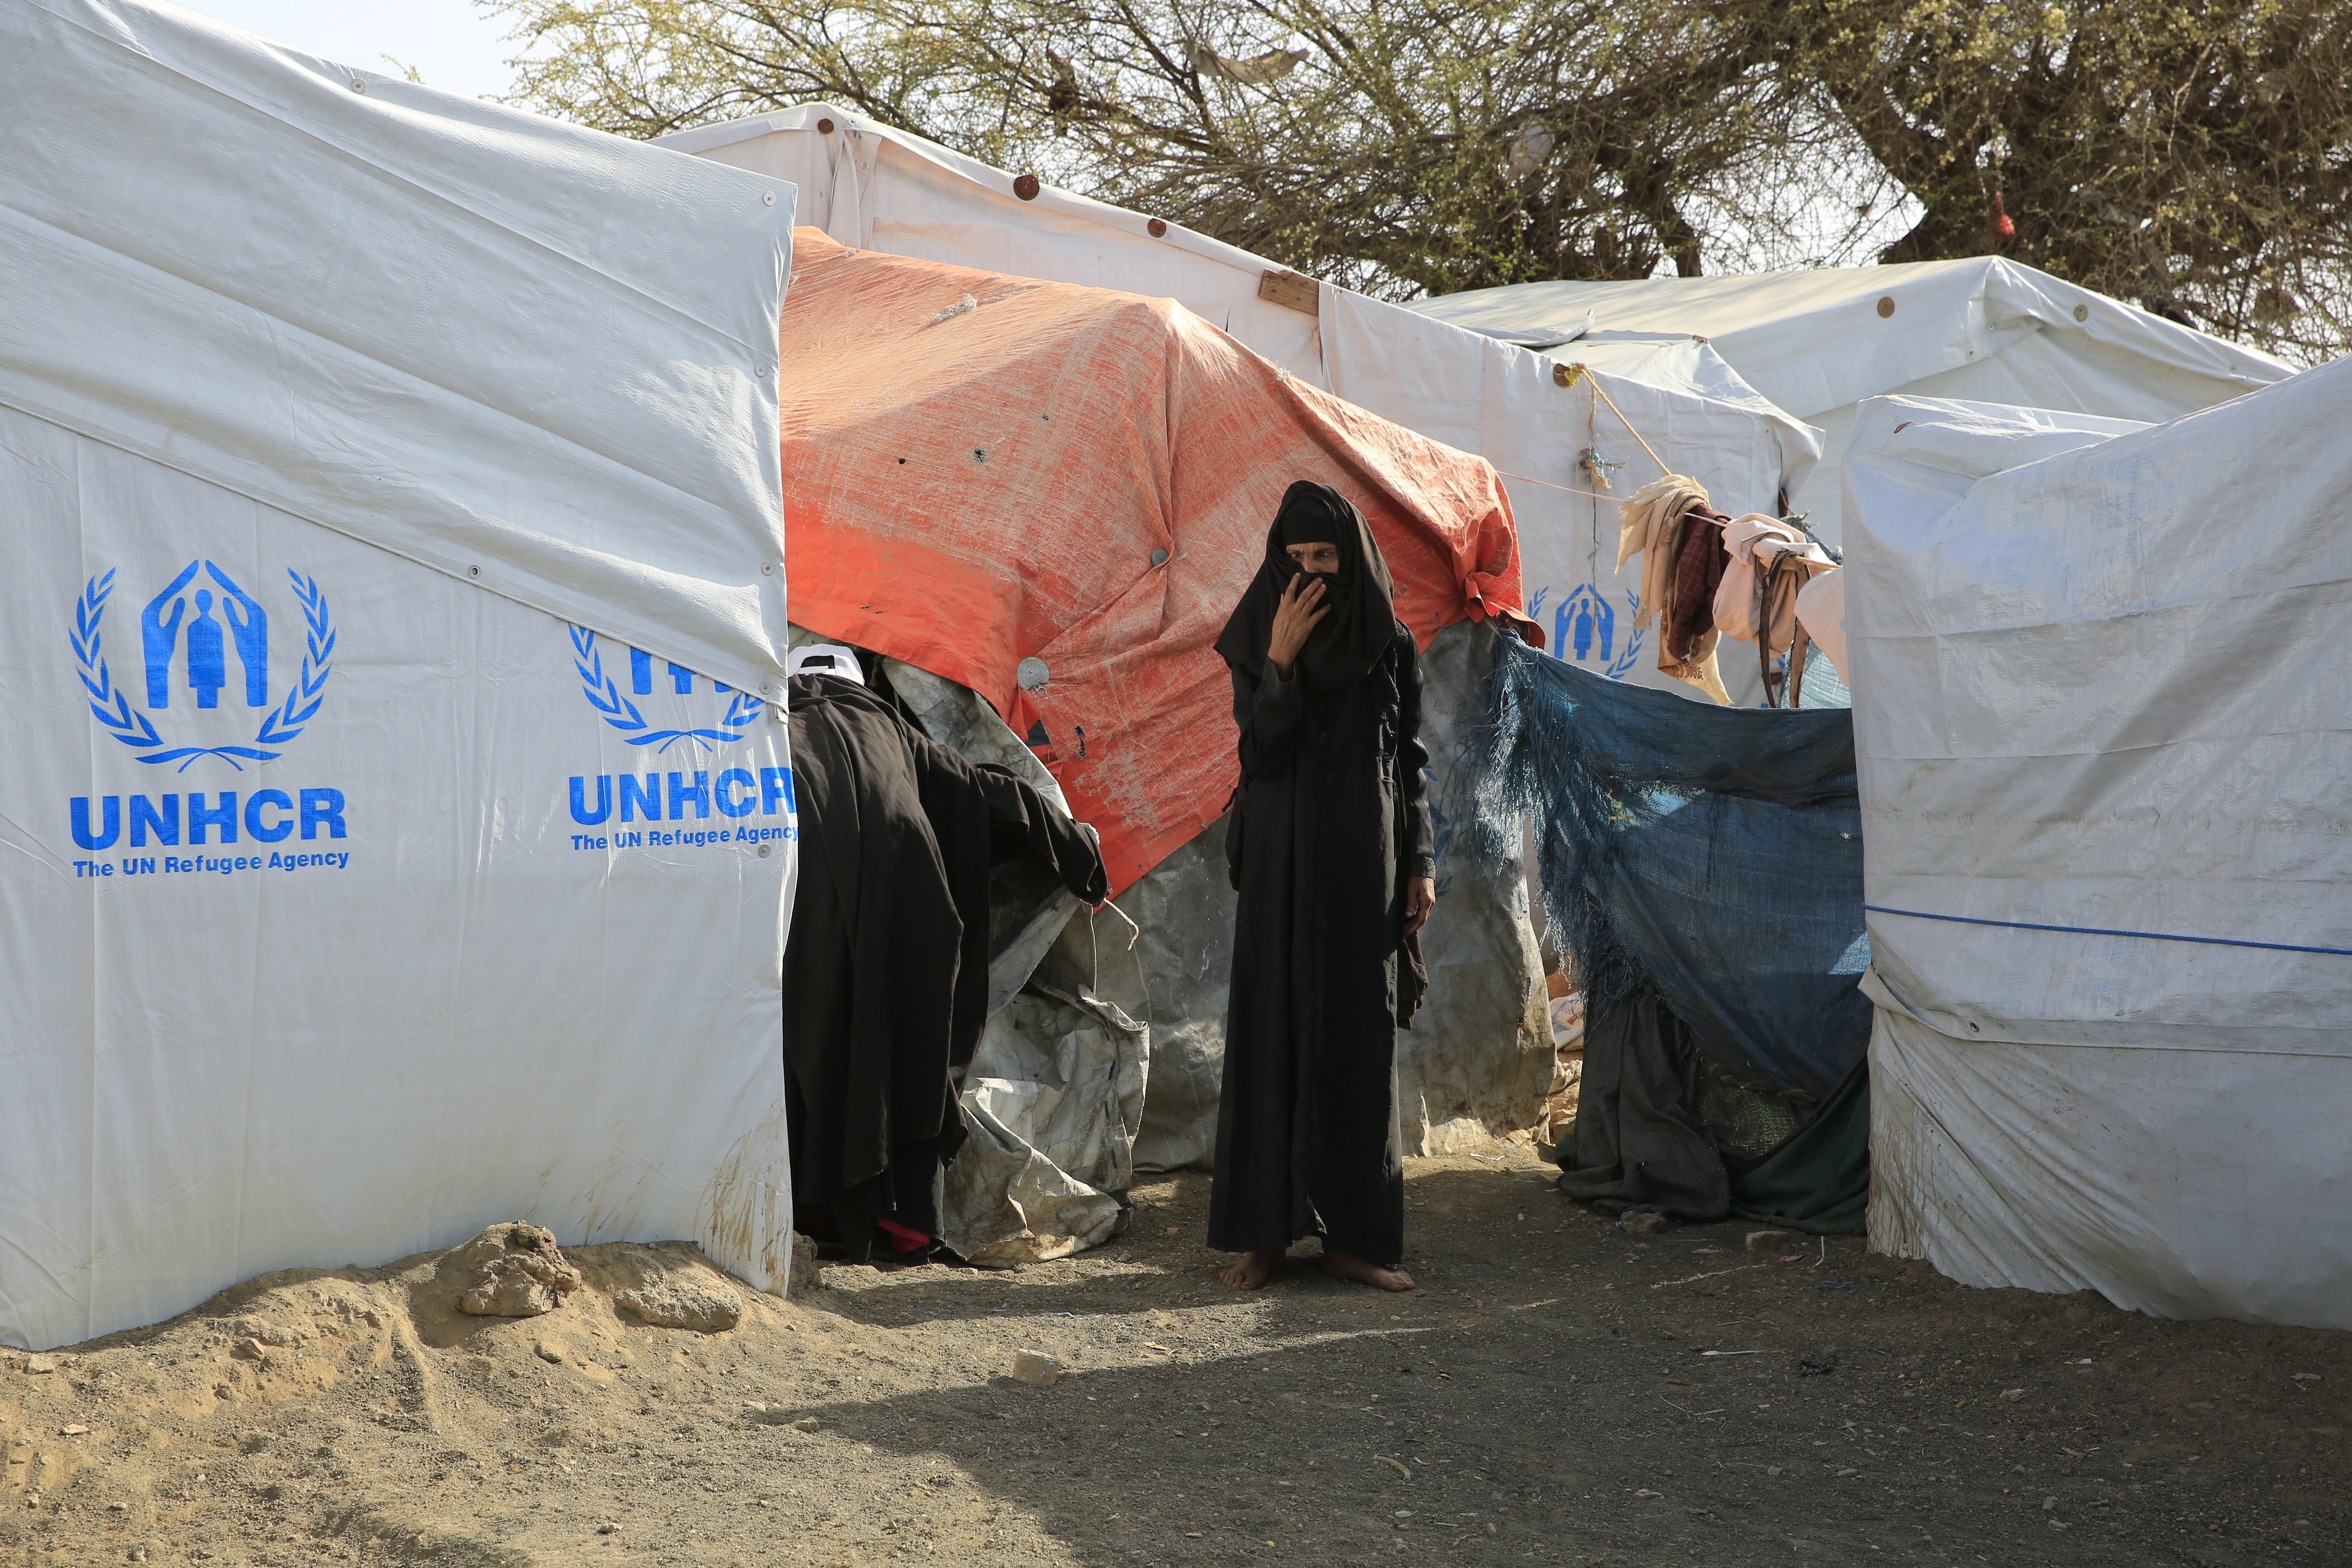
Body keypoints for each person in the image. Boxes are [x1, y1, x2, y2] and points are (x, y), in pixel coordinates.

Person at [1207, 480, 1437, 1292]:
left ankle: (1355, 1241)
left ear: (1353, 558)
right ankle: (1264, 1237)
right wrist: (1278, 663)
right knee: (1271, 1030)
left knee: (1356, 1036)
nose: (1310, 575)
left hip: (1360, 858)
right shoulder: (1254, 636)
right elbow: (1261, 756)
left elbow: (1408, 758)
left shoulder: (1389, 641)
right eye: (1296, 558)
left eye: (1326, 558)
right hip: (1278, 857)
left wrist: (1421, 860)